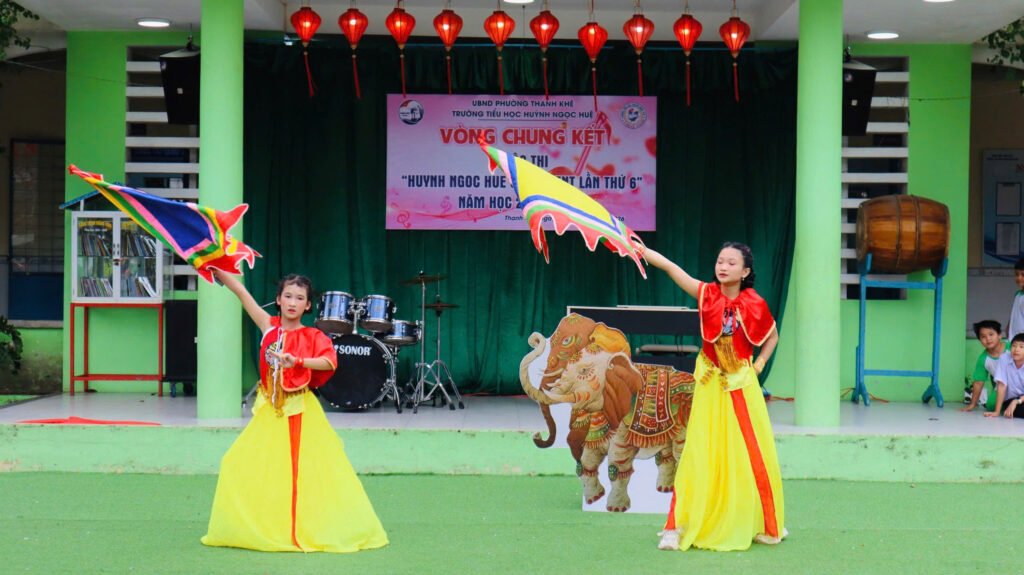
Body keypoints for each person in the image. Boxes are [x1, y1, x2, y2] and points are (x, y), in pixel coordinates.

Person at [201, 269, 388, 553]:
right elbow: (241, 293)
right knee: (238, 464)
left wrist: (298, 361)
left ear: (308, 305)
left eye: (299, 298)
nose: (292, 302)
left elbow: (329, 362)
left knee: (303, 473)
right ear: (278, 299)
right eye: (287, 296)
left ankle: (301, 529)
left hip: (299, 411)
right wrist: (216, 269)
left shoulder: (313, 336)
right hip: (271, 411)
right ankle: (264, 527)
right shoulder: (269, 327)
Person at [642, 242, 785, 552]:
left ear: (745, 272)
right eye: (720, 261)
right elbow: (671, 269)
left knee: (751, 452)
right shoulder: (707, 294)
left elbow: (772, 336)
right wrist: (641, 251)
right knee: (697, 451)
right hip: (709, 382)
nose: (723, 266)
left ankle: (770, 526)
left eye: (731, 263)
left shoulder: (755, 303)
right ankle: (676, 526)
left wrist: (759, 365)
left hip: (740, 385)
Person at [960, 320, 1006, 413]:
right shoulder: (983, 359)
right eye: (983, 337)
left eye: (991, 334)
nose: (988, 339)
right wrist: (972, 404)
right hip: (1001, 388)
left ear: (999, 335)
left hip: (1020, 384)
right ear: (980, 340)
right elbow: (978, 382)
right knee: (991, 406)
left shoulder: (1012, 348)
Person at [986, 333, 1024, 420]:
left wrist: (1017, 401)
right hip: (1010, 399)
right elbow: (1002, 385)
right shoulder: (1004, 358)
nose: (1016, 349)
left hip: (1021, 399)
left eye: (1021, 347)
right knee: (1015, 410)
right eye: (1014, 346)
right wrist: (997, 412)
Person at [1007, 258, 1024, 339]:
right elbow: (1014, 315)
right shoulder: (1017, 295)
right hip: (1014, 339)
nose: (1019, 278)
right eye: (1017, 274)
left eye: (1023, 275)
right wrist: (1008, 327)